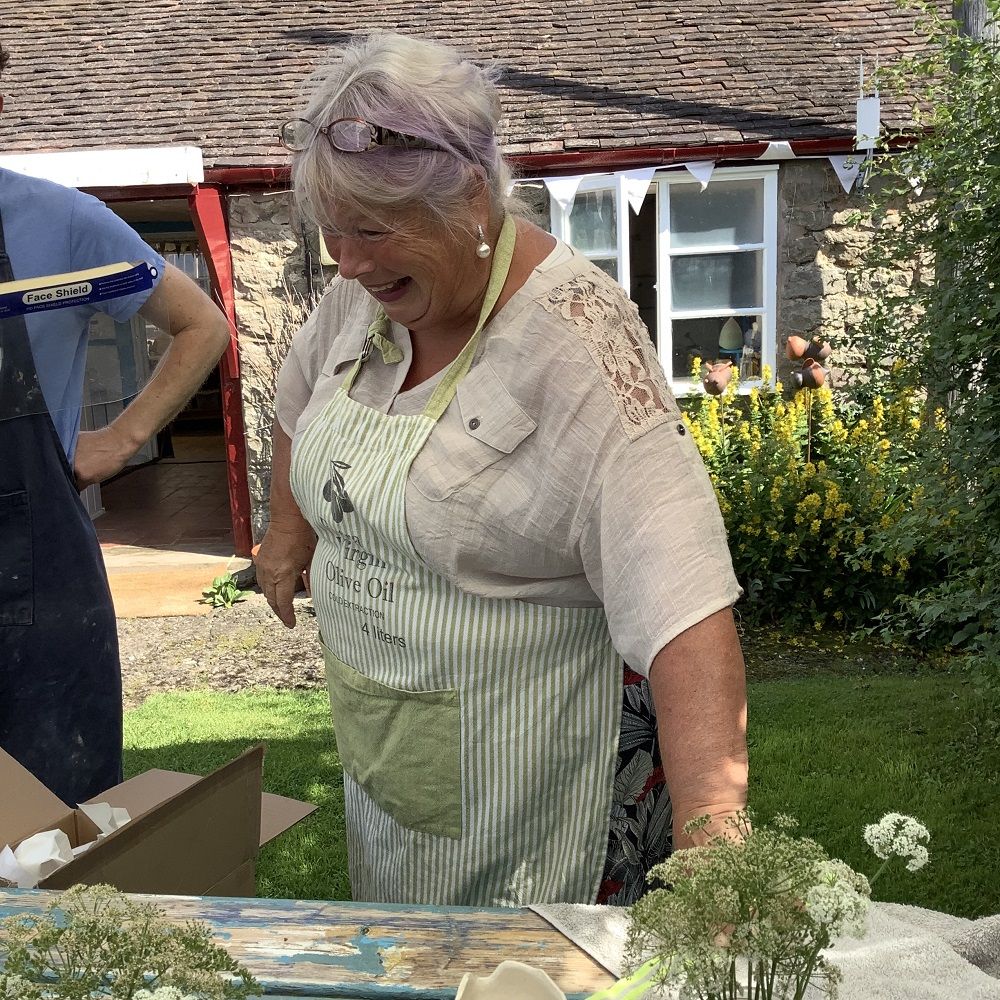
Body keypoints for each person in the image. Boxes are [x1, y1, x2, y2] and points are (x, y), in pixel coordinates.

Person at [256, 32, 748, 907]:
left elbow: (683, 596)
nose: (349, 261)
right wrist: (287, 530)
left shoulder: (581, 346)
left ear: (472, 201)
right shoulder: (366, 293)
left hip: (539, 776)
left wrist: (715, 829)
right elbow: (299, 401)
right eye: (333, 234)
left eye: (370, 231)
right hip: (399, 755)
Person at [0, 40, 231, 805]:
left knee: (50, 838)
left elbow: (202, 325)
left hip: (34, 586)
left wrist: (122, 438)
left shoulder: (61, 222)